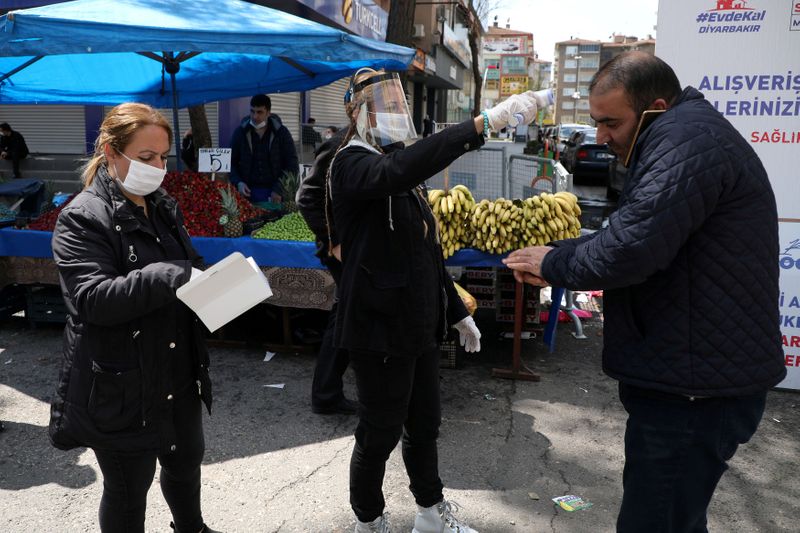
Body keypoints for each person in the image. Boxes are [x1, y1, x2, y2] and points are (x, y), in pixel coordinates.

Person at [503, 51, 786, 533]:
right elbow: (636, 234)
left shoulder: (683, 140)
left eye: (612, 122)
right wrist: (564, 250)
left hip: (694, 389)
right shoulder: (683, 136)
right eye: (595, 122)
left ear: (655, 106)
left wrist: (554, 262)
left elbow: (630, 251)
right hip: (691, 378)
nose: (601, 137)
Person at [327, 67, 539, 533]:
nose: (396, 114)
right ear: (358, 113)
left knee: (424, 425)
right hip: (378, 328)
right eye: (385, 106)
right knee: (379, 431)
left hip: (418, 324)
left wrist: (457, 311)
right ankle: (369, 518)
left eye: (397, 104)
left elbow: (427, 252)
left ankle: (430, 513)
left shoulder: (396, 165)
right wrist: (485, 122)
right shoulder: (352, 163)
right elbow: (397, 171)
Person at [48, 103, 219, 533]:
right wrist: (167, 275)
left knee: (185, 466)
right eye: (146, 158)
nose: (158, 167)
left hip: (177, 372)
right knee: (128, 490)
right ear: (110, 151)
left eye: (163, 157)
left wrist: (220, 288)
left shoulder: (163, 206)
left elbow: (191, 266)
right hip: (122, 385)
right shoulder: (82, 217)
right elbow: (92, 299)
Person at [296, 125, 357, 415]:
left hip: (360, 249)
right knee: (346, 314)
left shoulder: (381, 142)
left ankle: (328, 391)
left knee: (347, 313)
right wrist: (334, 243)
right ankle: (326, 394)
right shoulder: (339, 146)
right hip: (343, 251)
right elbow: (307, 198)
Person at [230, 94, 299, 204]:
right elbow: (231, 162)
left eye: (259, 112)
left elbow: (292, 163)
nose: (255, 116)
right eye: (252, 111)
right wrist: (238, 182)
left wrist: (279, 189)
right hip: (248, 192)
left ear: (268, 112)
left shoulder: (281, 133)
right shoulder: (240, 133)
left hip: (275, 192)